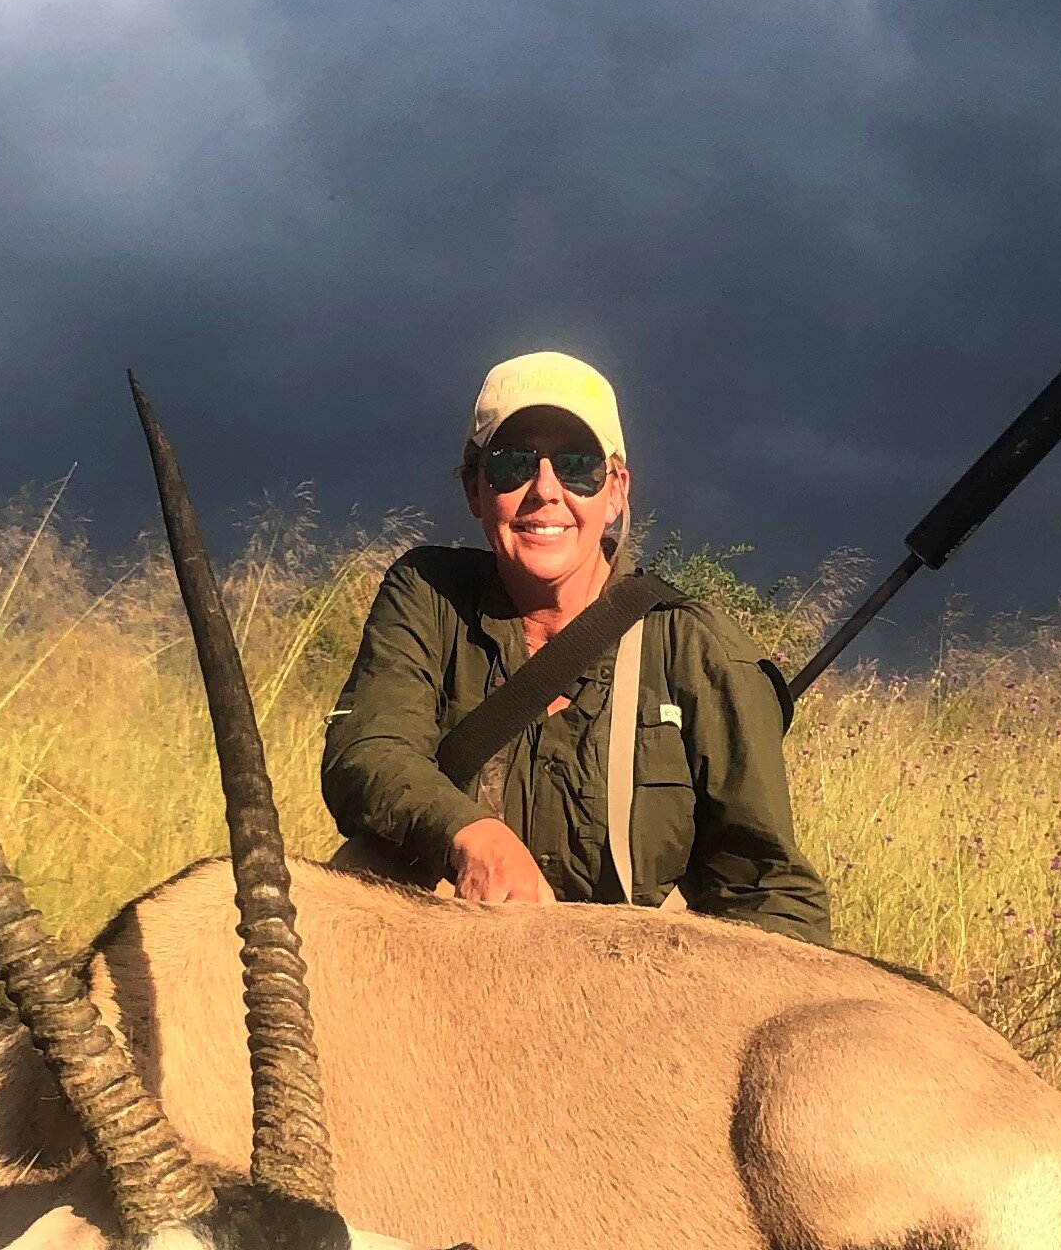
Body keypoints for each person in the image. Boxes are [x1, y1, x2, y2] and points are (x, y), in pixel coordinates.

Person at [322, 348, 831, 944]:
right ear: (473, 489)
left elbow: (771, 892)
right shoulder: (427, 595)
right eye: (512, 464)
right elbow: (366, 752)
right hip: (446, 970)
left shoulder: (698, 649)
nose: (545, 490)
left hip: (630, 996)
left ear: (615, 491)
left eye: (578, 466)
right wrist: (472, 836)